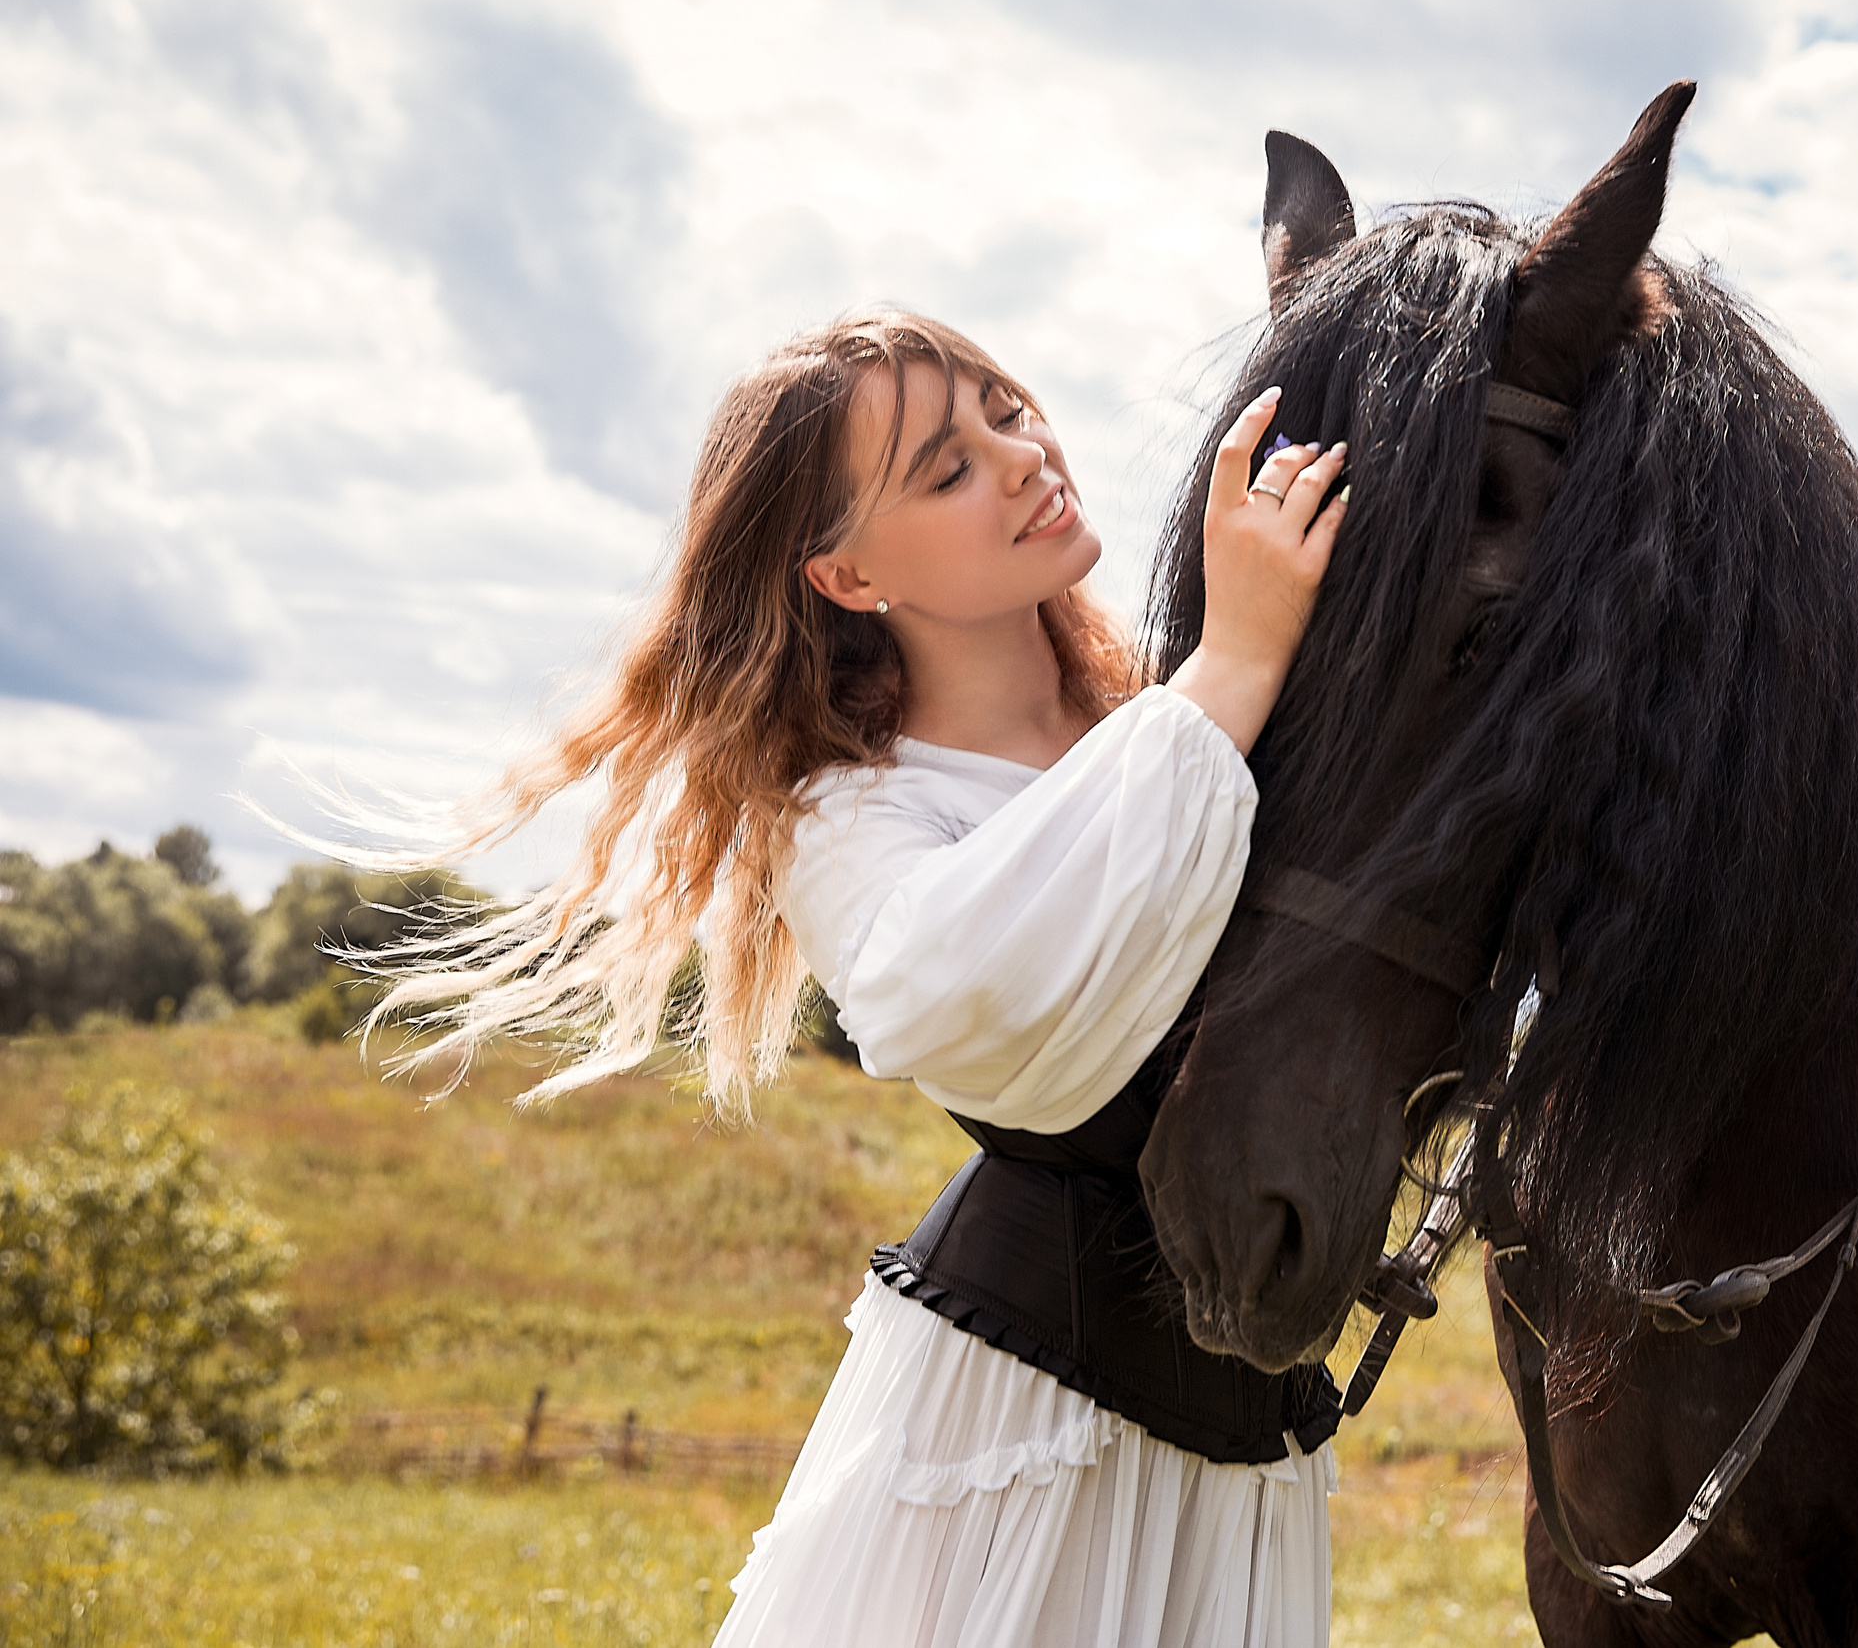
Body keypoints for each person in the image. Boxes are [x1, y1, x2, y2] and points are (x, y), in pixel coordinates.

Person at [347, 310, 1351, 1647]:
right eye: (947, 469)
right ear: (847, 575)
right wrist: (1237, 662)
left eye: (1005, 408)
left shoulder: (1177, 714)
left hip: (1252, 1463)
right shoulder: (853, 819)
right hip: (1019, 1447)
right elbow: (972, 996)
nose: (1022, 456)